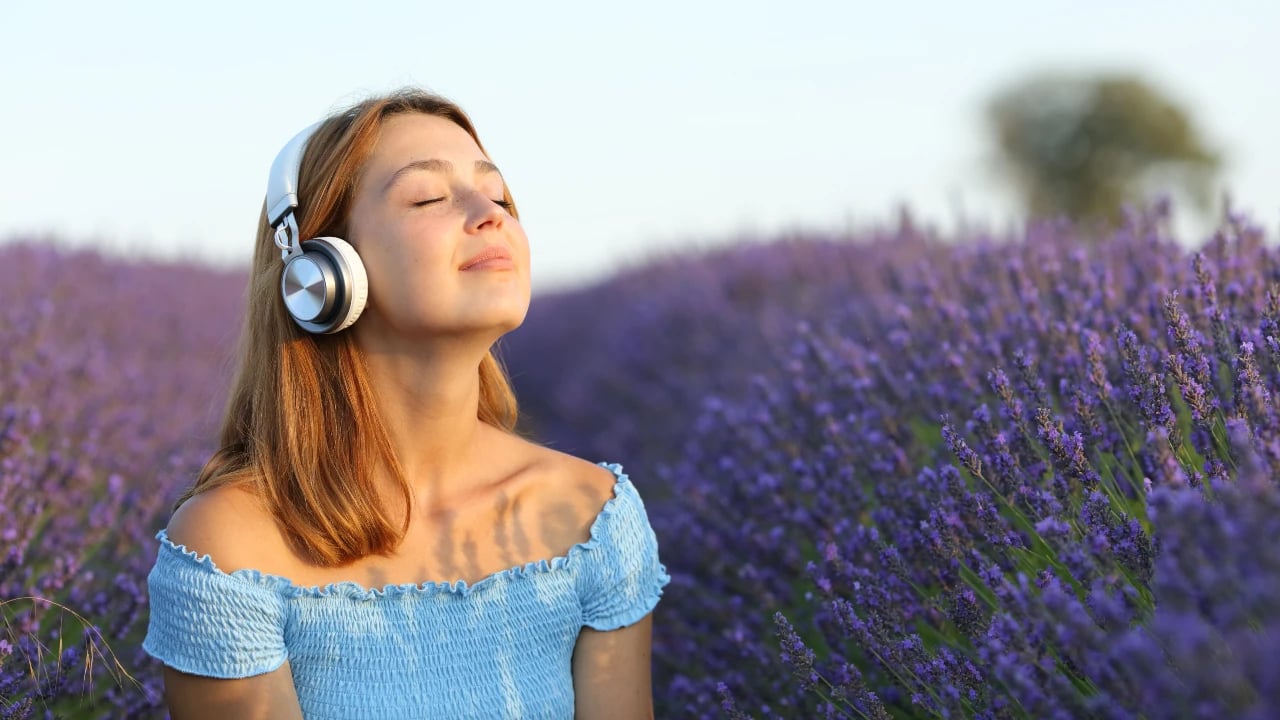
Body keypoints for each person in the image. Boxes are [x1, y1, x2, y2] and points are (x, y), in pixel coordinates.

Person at [142, 87, 669, 719]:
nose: (490, 214)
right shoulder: (232, 549)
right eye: (428, 197)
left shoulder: (594, 518)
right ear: (321, 272)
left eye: (499, 195)